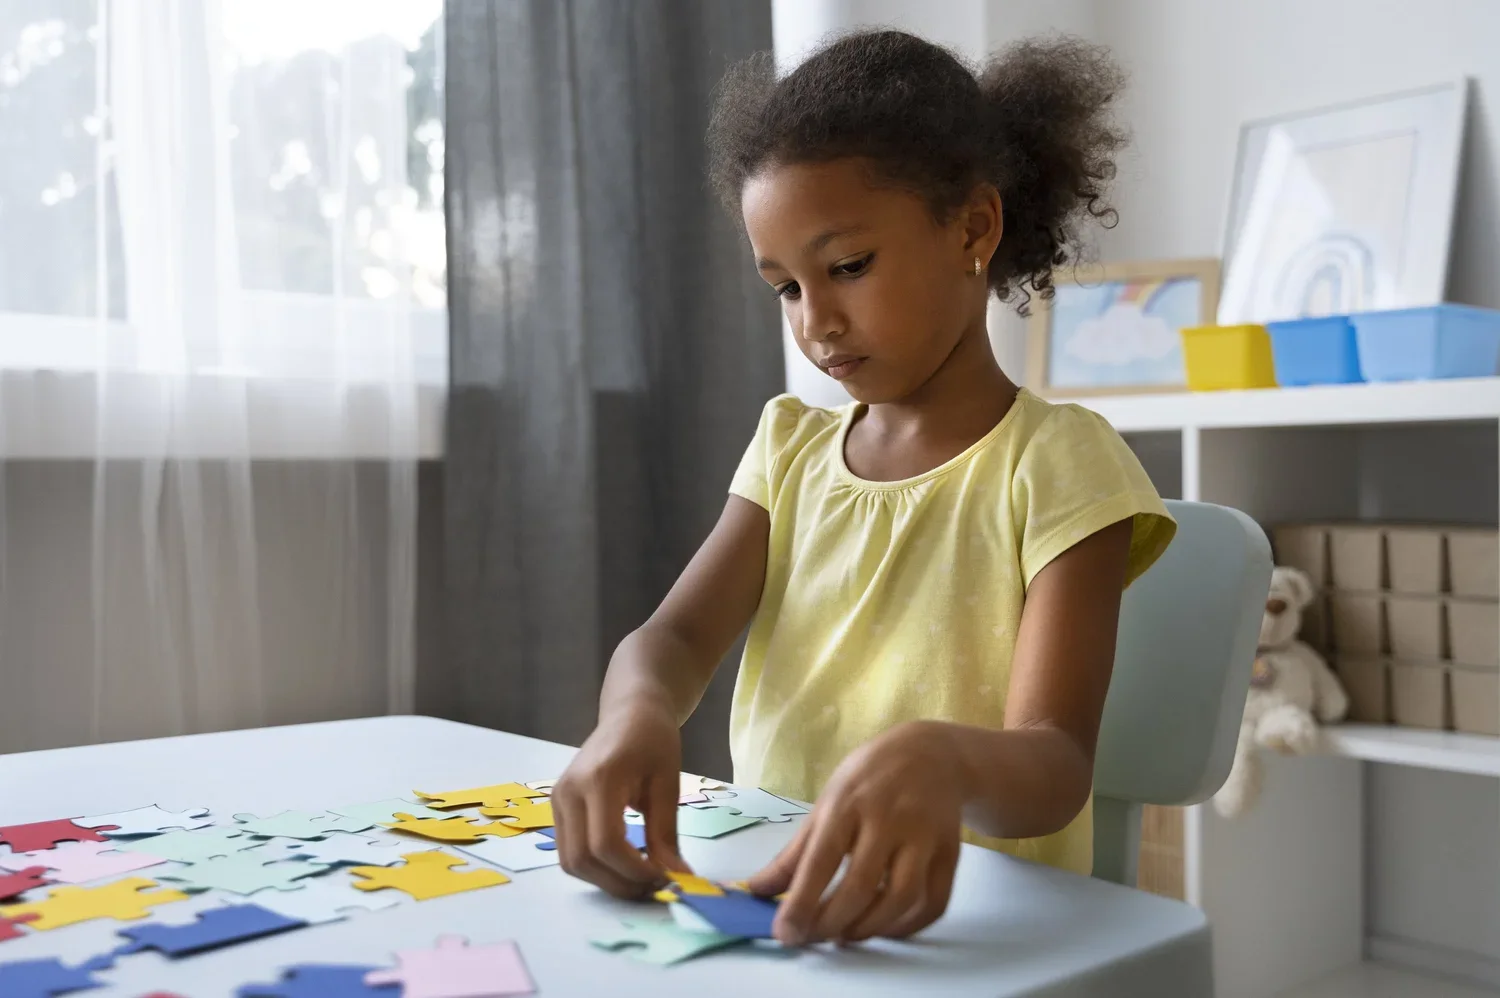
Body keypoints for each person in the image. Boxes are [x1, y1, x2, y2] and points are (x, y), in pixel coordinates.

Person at [551, 28, 1176, 947]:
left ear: (973, 228)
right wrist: (636, 712)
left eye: (846, 267)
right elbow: (675, 637)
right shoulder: (790, 447)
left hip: (972, 923)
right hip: (776, 899)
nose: (817, 323)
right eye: (786, 289)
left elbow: (1055, 764)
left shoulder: (1057, 463)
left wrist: (944, 760)